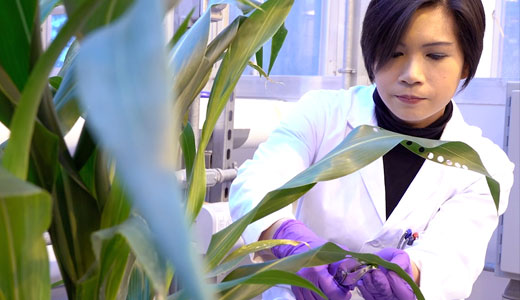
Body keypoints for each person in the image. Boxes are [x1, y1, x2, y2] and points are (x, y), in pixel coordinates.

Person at [229, 0, 515, 299]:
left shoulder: (484, 166)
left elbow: (450, 259)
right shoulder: (322, 114)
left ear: (466, 62)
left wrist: (414, 271)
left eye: (435, 55)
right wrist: (289, 240)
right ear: (372, 50)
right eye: (394, 52)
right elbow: (256, 184)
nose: (411, 74)